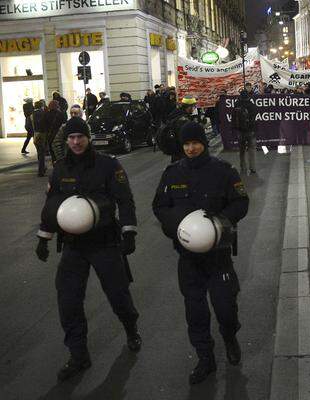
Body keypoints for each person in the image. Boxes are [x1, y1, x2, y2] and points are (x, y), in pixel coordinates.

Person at [35, 117, 141, 382]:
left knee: (118, 295)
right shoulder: (60, 169)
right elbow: (52, 205)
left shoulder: (108, 165)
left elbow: (124, 200)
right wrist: (43, 237)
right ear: (66, 140)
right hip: (74, 245)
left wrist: (129, 231)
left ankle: (130, 327)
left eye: (80, 136)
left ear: (88, 137)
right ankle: (78, 355)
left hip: (105, 242)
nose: (75, 142)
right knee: (68, 300)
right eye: (71, 137)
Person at [152, 121, 249, 385]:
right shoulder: (172, 173)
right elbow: (159, 206)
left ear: (203, 143)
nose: (191, 148)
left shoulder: (223, 171)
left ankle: (229, 336)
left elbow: (241, 202)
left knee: (225, 307)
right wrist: (178, 227)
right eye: (186, 144)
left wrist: (219, 222)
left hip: (219, 255)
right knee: (195, 311)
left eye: (195, 143)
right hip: (188, 258)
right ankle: (205, 358)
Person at [159, 96, 198, 162]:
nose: (194, 109)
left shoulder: (176, 113)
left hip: (175, 150)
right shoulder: (183, 120)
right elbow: (185, 137)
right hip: (181, 152)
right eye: (193, 107)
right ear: (189, 107)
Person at [233, 90, 259, 175]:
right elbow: (254, 117)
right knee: (252, 150)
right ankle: (253, 168)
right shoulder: (252, 106)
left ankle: (243, 167)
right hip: (251, 131)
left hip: (240, 131)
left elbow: (233, 117)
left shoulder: (236, 105)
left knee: (242, 150)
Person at [32, 100, 49, 177]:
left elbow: (28, 126)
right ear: (41, 106)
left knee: (39, 152)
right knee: (42, 152)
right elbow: (46, 123)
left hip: (35, 134)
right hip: (43, 134)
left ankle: (42, 168)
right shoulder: (44, 113)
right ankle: (41, 171)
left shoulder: (31, 115)